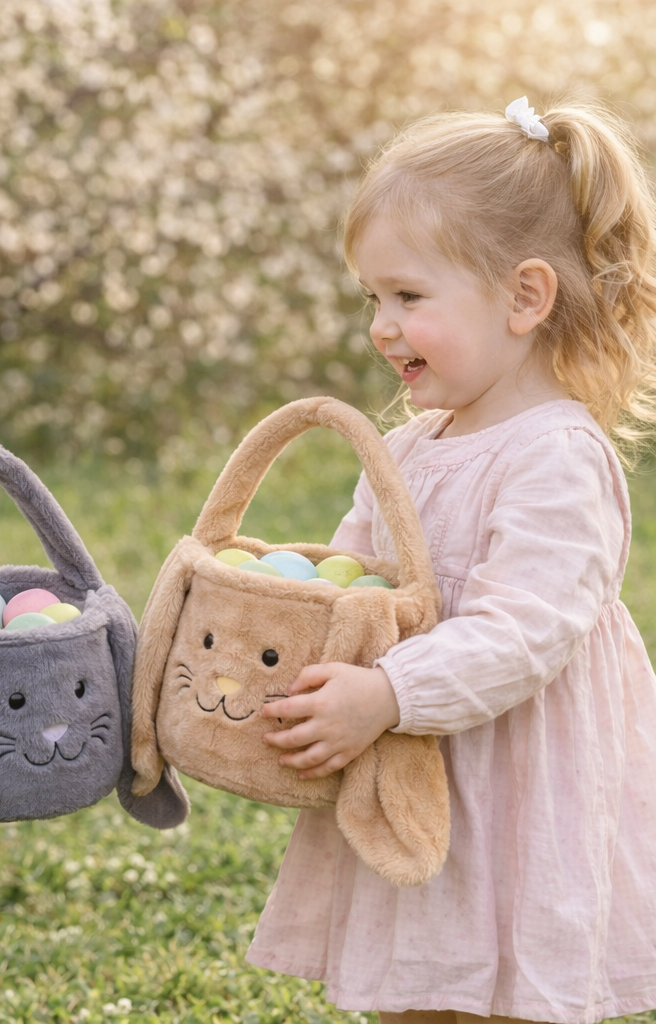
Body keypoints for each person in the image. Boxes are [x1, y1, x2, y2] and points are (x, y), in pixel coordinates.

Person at [246, 99, 656, 1024]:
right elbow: (359, 580)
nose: (381, 327)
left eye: (409, 297)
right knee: (417, 981)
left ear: (524, 297)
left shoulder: (557, 452)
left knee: (504, 988)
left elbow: (525, 632)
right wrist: (290, 626)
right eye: (373, 300)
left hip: (518, 782)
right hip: (418, 778)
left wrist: (387, 694)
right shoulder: (414, 444)